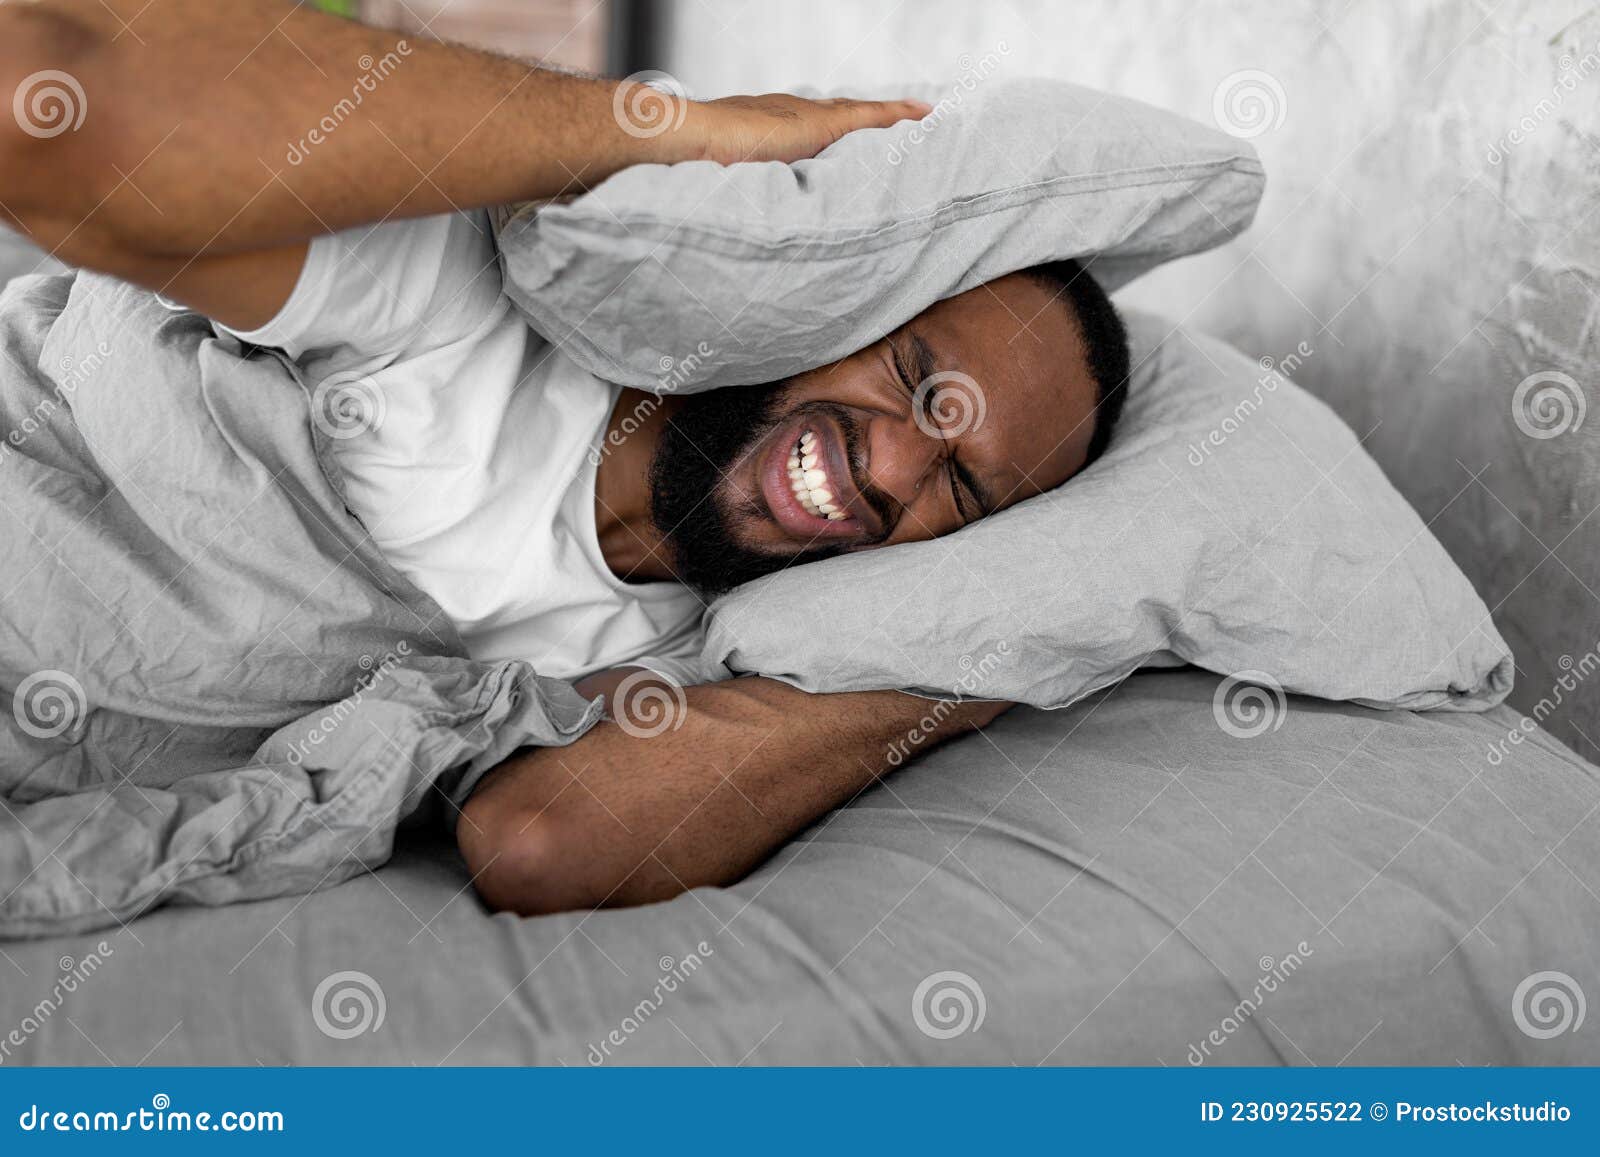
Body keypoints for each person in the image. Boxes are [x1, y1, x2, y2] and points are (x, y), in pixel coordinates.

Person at [0, 0, 1128, 916]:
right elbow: (38, 104)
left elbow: (540, 844)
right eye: (915, 379)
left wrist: (980, 654)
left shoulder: (706, 652)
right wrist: (681, 132)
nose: (891, 469)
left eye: (965, 490)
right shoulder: (466, 300)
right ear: (835, 291)